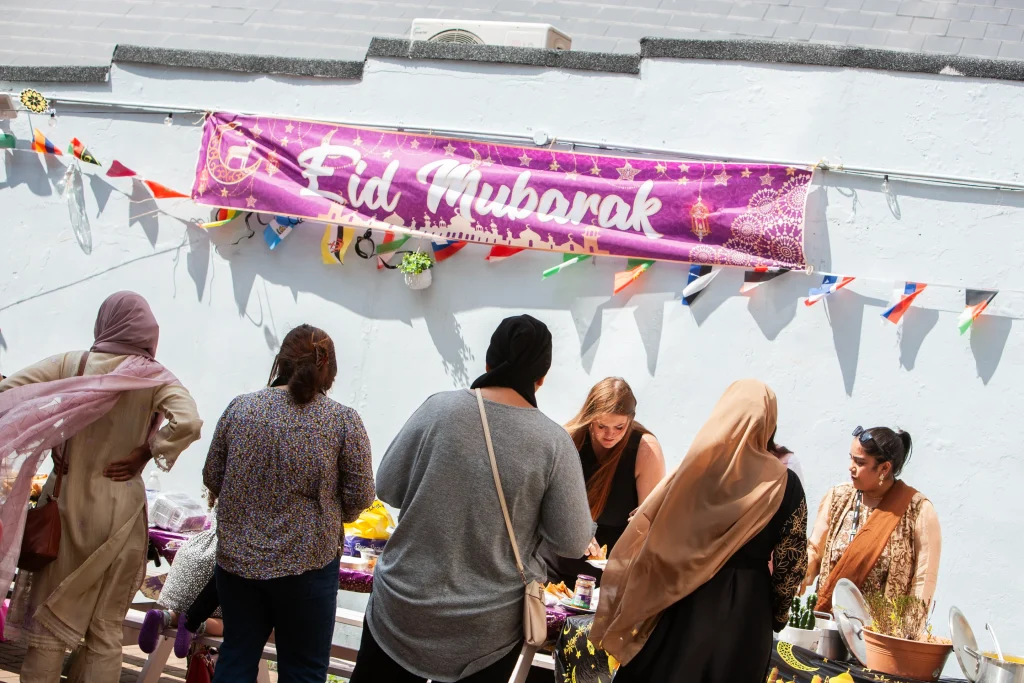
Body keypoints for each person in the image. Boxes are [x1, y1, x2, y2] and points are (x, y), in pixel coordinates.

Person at [349, 314, 593, 683]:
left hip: (402, 607)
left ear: (488, 363)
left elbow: (387, 487)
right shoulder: (553, 443)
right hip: (488, 625)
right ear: (540, 378)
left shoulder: (437, 409)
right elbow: (574, 542)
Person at [0, 292, 202, 682]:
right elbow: (189, 423)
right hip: (120, 509)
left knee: (46, 629)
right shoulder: (155, 377)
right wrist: (148, 451)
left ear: (104, 323)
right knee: (105, 628)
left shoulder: (72, 364)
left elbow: (12, 392)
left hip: (66, 505)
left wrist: (54, 435)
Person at [591, 379, 808, 683]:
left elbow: (656, 537)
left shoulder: (694, 473)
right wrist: (777, 615)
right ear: (769, 422)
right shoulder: (786, 484)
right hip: (747, 610)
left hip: (684, 598)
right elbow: (791, 562)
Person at [203, 324, 374, 683]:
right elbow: (360, 497)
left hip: (238, 563)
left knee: (236, 653)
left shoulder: (241, 408)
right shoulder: (342, 421)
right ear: (329, 368)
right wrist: (328, 512)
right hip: (309, 565)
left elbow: (212, 477)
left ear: (281, 360)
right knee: (303, 670)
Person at [804, 426, 940, 626]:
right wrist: (789, 575)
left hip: (880, 639)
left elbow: (923, 582)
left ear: (884, 468)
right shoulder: (838, 498)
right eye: (851, 458)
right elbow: (815, 552)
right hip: (827, 627)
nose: (851, 467)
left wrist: (907, 635)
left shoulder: (917, 510)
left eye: (859, 462)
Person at [543, 377, 665, 586]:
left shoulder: (645, 449)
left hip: (610, 576)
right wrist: (578, 530)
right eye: (602, 426)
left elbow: (650, 522)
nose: (610, 435)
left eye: (619, 427)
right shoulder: (569, 439)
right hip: (555, 569)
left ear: (631, 419)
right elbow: (548, 503)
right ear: (590, 418)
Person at [138, 499, 221, 659]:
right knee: (235, 624)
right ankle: (197, 625)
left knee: (184, 610)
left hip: (191, 555)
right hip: (218, 563)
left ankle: (164, 616)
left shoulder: (226, 492)